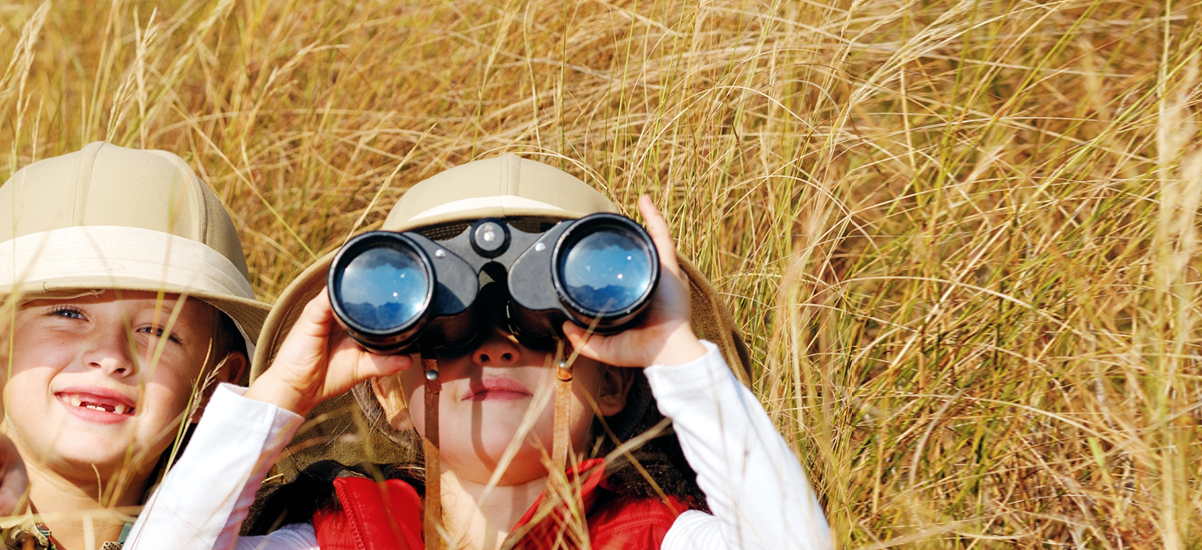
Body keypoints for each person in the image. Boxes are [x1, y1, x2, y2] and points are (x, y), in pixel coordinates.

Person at [124, 154, 834, 550]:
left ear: (615, 385)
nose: (494, 350)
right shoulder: (339, 539)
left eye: (546, 327)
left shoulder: (657, 539)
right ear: (388, 391)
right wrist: (284, 391)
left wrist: (673, 348)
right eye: (446, 327)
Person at [0, 142, 275, 550]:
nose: (110, 356)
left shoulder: (261, 531)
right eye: (69, 314)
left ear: (216, 386)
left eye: (157, 331)